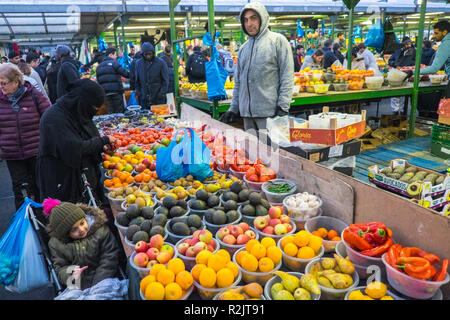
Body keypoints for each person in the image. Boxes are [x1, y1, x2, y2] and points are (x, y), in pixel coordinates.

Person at [219, 2, 294, 132]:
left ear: (262, 18)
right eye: (246, 20)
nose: (249, 24)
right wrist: (233, 109)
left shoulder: (277, 42)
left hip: (269, 115)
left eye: (253, 18)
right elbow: (238, 83)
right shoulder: (243, 49)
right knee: (251, 151)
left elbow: (287, 76)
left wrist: (283, 107)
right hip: (247, 117)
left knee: (270, 151)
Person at [37, 79, 115, 203]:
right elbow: (74, 148)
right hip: (63, 182)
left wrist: (101, 147)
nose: (94, 112)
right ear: (83, 102)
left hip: (80, 177)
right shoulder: (54, 119)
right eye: (94, 108)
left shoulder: (75, 112)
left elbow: (86, 136)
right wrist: (102, 141)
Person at [0, 63, 51, 209]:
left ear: (16, 81)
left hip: (36, 151)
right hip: (12, 154)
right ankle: (24, 224)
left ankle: (43, 219)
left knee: (40, 186)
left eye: (4, 83)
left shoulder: (34, 95)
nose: (1, 87)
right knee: (20, 190)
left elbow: (49, 117)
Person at [43, 199, 120, 291]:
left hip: (103, 277)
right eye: (74, 230)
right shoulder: (57, 244)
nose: (81, 229)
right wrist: (71, 274)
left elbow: (109, 256)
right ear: (65, 234)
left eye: (82, 223)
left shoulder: (100, 231)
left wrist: (98, 283)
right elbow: (60, 268)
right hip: (78, 285)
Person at [134, 42, 169, 109]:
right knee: (146, 118)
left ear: (153, 53)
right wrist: (140, 94)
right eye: (145, 54)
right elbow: (137, 80)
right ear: (142, 54)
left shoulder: (161, 63)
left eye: (149, 54)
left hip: (158, 98)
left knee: (160, 118)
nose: (148, 56)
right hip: (144, 99)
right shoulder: (138, 64)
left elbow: (165, 81)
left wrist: (161, 94)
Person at [96, 47, 130, 114]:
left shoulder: (99, 66)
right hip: (116, 92)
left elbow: (98, 80)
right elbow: (125, 74)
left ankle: (112, 124)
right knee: (119, 112)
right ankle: (120, 124)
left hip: (106, 93)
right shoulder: (114, 63)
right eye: (115, 54)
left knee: (111, 112)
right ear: (110, 55)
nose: (116, 56)